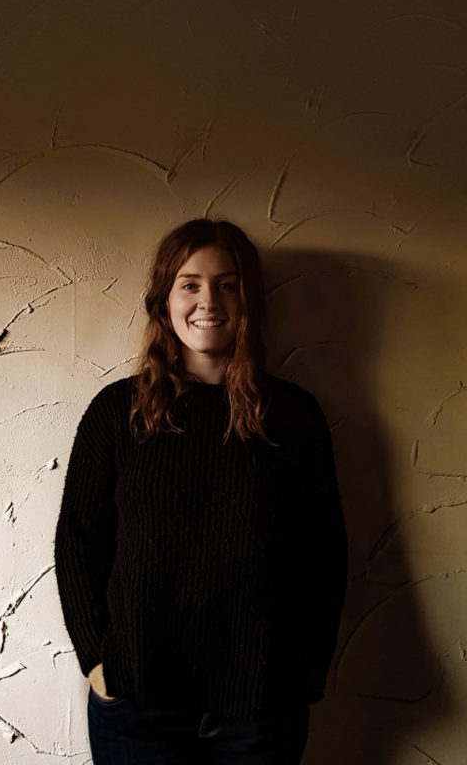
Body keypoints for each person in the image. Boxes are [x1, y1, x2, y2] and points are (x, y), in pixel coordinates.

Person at [54, 218, 347, 764]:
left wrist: (303, 672)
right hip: (138, 701)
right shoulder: (117, 412)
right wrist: (97, 662)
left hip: (261, 705)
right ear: (164, 300)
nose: (208, 301)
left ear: (248, 299)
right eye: (189, 284)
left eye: (227, 284)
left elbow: (323, 555)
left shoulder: (294, 415)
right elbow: (78, 541)